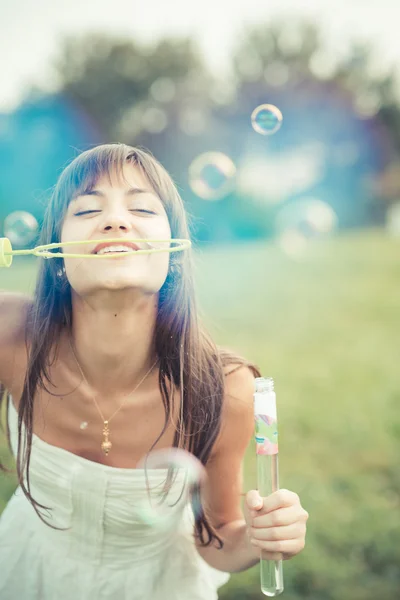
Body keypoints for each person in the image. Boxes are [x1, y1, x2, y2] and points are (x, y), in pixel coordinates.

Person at [0, 143, 308, 599]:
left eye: (142, 207)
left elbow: (218, 535)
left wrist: (260, 539)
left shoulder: (226, 389)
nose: (116, 220)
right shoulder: (9, 332)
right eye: (87, 210)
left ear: (174, 254)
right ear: (57, 256)